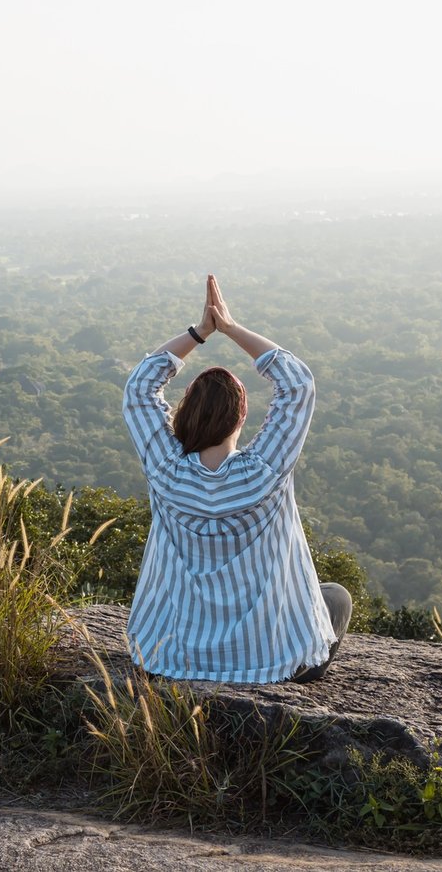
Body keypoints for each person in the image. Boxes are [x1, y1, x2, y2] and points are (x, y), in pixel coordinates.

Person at [121, 275, 351, 684]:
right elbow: (297, 384)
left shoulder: (165, 471)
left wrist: (199, 333)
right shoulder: (267, 472)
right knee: (334, 596)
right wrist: (229, 327)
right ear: (242, 417)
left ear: (184, 415)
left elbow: (139, 388)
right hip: (272, 663)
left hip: (170, 658)